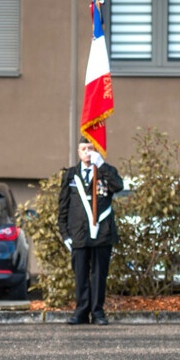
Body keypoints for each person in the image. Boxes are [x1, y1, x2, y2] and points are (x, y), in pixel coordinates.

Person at [58, 139, 125, 325]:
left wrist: (101, 164)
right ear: (78, 152)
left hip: (101, 233)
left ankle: (97, 312)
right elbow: (63, 207)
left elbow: (118, 186)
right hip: (78, 234)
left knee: (99, 274)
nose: (87, 152)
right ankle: (81, 311)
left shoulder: (105, 172)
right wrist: (65, 235)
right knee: (80, 275)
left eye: (90, 148)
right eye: (83, 149)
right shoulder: (71, 175)